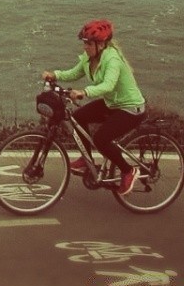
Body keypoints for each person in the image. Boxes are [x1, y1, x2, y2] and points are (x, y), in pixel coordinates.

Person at [43, 19, 146, 196]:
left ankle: (129, 171)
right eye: (84, 43)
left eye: (89, 43)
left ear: (101, 44)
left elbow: (108, 85)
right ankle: (87, 159)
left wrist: (84, 92)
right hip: (112, 104)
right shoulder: (89, 58)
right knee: (77, 117)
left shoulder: (112, 59)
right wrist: (55, 75)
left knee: (101, 139)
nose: (85, 47)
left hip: (131, 108)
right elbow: (74, 72)